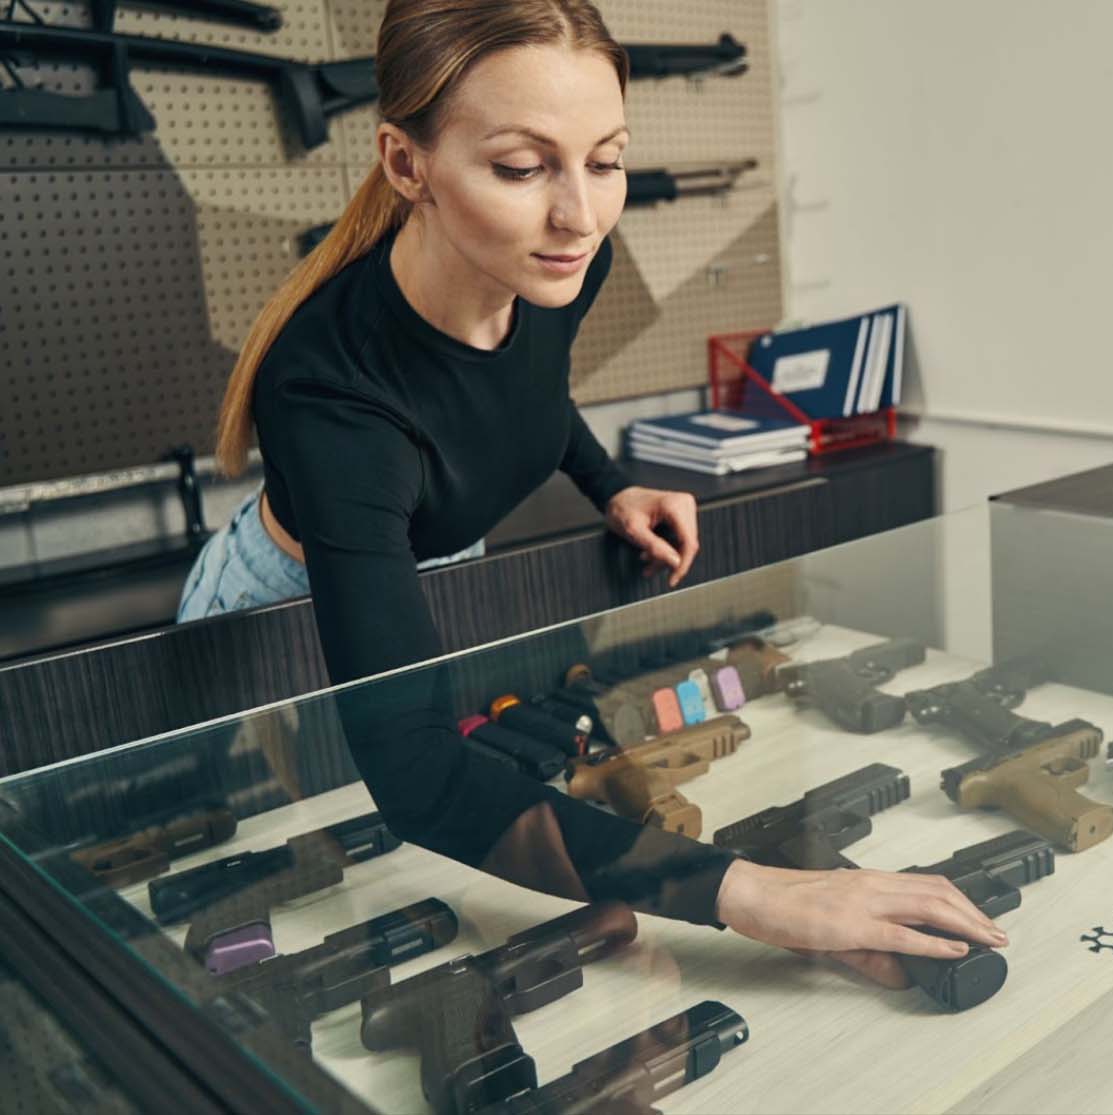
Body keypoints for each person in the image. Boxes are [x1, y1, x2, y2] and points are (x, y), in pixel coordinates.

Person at [178, 0, 1005, 990]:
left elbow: (529, 391)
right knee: (277, 865)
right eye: (522, 168)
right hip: (273, 619)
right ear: (407, 166)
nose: (578, 213)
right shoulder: (331, 402)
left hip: (425, 567)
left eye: (604, 159)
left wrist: (609, 484)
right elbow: (420, 781)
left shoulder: (558, 261)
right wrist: (758, 892)